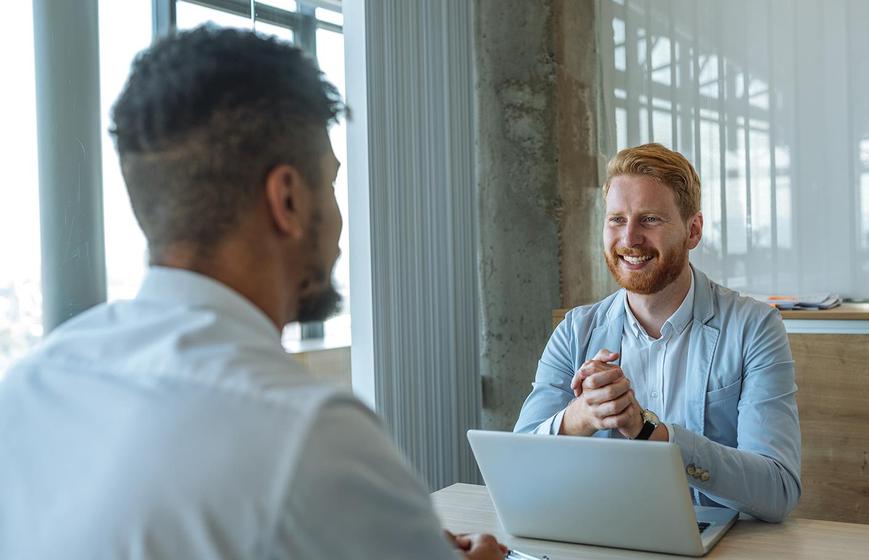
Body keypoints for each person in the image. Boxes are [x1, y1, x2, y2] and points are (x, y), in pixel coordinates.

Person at [0, 27, 505, 560]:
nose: (338, 221)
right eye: (331, 184)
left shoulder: (29, 388)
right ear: (286, 198)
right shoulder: (308, 433)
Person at [514, 143, 801, 523]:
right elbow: (517, 470)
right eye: (617, 219)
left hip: (715, 546)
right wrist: (581, 416)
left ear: (693, 230)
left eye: (649, 219)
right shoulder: (575, 331)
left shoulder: (753, 327)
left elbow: (777, 490)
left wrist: (651, 431)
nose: (629, 239)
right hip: (601, 538)